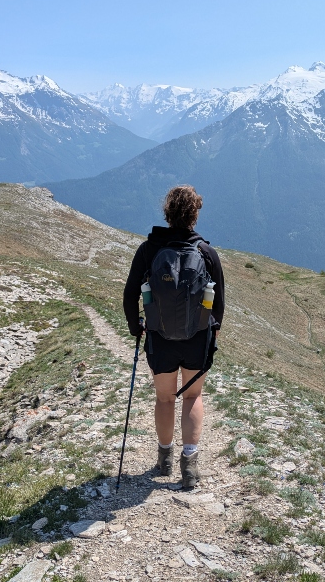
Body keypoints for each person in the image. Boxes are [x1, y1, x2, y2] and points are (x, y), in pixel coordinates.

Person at [123, 185, 225, 488]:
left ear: (167, 213)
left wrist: (136, 327)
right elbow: (219, 303)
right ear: (195, 214)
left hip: (160, 337)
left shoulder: (149, 250)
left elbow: (130, 294)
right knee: (193, 396)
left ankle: (164, 459)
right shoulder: (206, 253)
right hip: (197, 338)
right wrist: (213, 331)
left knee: (165, 398)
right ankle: (189, 465)